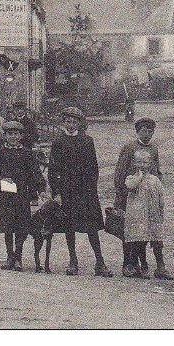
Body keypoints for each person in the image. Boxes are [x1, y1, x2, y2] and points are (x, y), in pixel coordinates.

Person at [48, 107, 113, 277]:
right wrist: (56, 192)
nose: (71, 125)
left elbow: (94, 167)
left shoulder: (87, 141)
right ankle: (73, 260)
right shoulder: (58, 142)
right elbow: (53, 169)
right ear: (63, 122)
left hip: (85, 191)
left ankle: (100, 262)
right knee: (69, 227)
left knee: (92, 227)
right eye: (68, 121)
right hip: (67, 190)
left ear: (80, 123)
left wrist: (91, 188)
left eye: (74, 122)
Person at [0, 120, 46, 271]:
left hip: (21, 195)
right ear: (5, 136)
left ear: (21, 136)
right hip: (6, 194)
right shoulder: (0, 153)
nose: (13, 137)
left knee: (21, 227)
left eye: (16, 134)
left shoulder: (27, 154)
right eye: (9, 134)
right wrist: (1, 179)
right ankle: (9, 257)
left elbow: (35, 173)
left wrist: (41, 189)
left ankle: (18, 257)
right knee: (7, 226)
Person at [113, 118, 162, 276]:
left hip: (147, 197)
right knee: (128, 232)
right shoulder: (129, 148)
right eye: (143, 131)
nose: (147, 134)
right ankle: (128, 263)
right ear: (137, 131)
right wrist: (121, 195)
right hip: (129, 195)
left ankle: (142, 262)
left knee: (145, 230)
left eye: (150, 131)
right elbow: (120, 173)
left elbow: (156, 170)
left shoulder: (154, 149)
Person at [123, 149, 174, 280]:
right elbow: (131, 186)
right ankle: (139, 265)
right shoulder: (131, 178)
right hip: (138, 216)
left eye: (145, 162)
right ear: (134, 163)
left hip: (153, 215)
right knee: (140, 241)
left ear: (151, 163)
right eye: (138, 162)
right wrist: (139, 176)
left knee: (157, 240)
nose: (142, 165)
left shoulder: (155, 180)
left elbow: (160, 197)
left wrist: (161, 211)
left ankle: (160, 267)